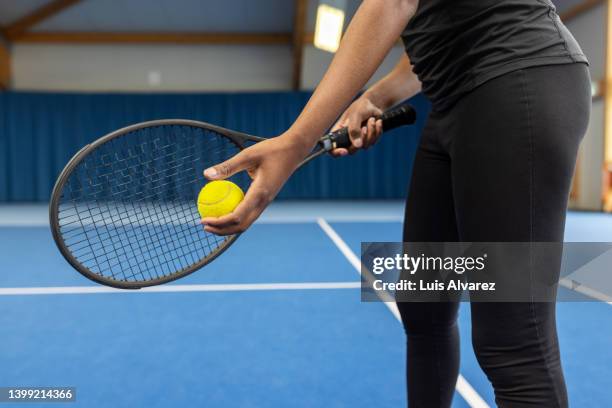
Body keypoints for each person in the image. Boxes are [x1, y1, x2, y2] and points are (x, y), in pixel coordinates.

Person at [202, 0, 591, 406]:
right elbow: (430, 25)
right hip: (454, 103)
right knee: (424, 307)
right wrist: (377, 97)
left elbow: (393, 2)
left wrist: (295, 143)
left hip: (516, 82)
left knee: (514, 340)